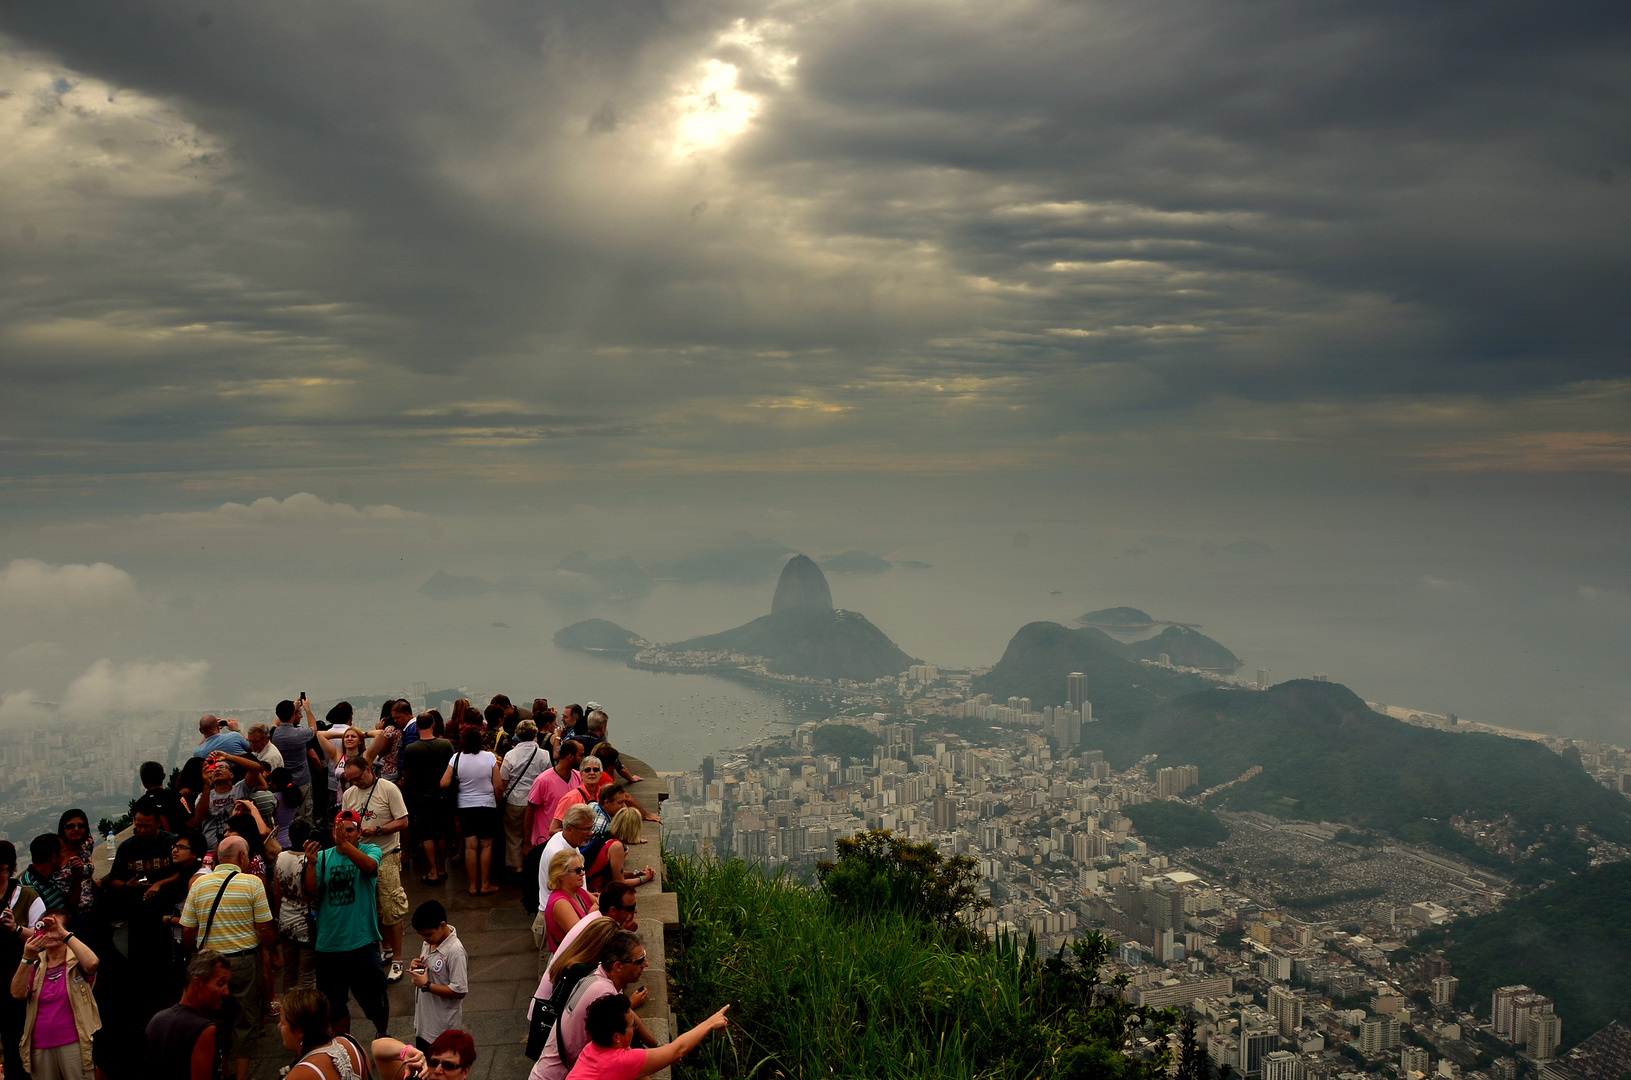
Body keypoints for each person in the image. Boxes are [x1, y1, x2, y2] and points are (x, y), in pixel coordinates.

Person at [180, 836, 274, 1080]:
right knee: (245, 1020)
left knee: (214, 1021)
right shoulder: (253, 883)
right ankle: (241, 1076)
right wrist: (272, 952)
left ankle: (222, 1072)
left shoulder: (199, 885)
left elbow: (188, 930)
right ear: (242, 857)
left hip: (210, 963)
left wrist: (193, 954)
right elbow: (264, 928)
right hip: (244, 961)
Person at [302, 811, 389, 1039]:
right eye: (340, 830)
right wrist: (311, 864)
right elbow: (311, 893)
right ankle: (345, 1046)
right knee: (334, 1005)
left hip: (362, 941)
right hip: (329, 946)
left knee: (375, 1000)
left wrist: (344, 846)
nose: (345, 834)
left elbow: (370, 867)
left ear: (359, 832)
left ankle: (382, 1033)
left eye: (350, 830)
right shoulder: (322, 858)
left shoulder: (370, 850)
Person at [532, 930, 656, 1080]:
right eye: (640, 960)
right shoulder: (604, 995)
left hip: (546, 1071)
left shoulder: (597, 975)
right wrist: (666, 1052)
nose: (646, 964)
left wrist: (656, 1044)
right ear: (618, 966)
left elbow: (630, 1016)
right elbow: (626, 1056)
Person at [340, 755, 410, 982]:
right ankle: (385, 947)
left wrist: (378, 830)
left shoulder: (388, 789)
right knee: (373, 906)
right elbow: (345, 823)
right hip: (360, 856)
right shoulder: (349, 795)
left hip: (387, 854)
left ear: (369, 770)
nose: (354, 784)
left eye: (357, 778)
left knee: (391, 906)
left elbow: (403, 821)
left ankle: (398, 958)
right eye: (349, 780)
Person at [9, 910, 100, 1080]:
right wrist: (27, 957)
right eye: (46, 928)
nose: (49, 934)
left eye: (55, 928)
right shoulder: (35, 966)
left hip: (75, 1044)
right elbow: (17, 993)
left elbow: (92, 963)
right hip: (40, 1048)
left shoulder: (76, 961)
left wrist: (64, 934)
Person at [569, 993, 729, 1080]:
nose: (636, 1028)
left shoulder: (593, 1048)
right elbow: (678, 1050)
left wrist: (664, 1055)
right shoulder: (619, 1061)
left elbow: (637, 1072)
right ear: (616, 1037)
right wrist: (710, 1023)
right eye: (633, 1026)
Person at [276, 987, 426, 1080]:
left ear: (300, 1031)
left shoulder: (302, 1074)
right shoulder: (349, 1042)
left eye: (283, 1022)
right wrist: (405, 1051)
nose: (278, 1026)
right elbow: (377, 1047)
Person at [100, 806, 177, 972]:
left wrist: (161, 883)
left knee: (166, 957)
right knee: (139, 960)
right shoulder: (127, 847)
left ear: (158, 823)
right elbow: (114, 879)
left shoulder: (171, 843)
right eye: (138, 825)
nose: (142, 830)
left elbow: (184, 871)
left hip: (166, 908)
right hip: (137, 912)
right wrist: (127, 885)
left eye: (147, 826)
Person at [145, 949, 232, 1080]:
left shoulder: (157, 1020)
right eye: (220, 983)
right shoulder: (204, 1030)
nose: (226, 992)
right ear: (196, 984)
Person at [440, 726, 500, 897]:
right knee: (486, 845)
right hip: (487, 806)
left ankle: (473, 885)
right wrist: (498, 803)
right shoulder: (489, 757)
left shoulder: (456, 758)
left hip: (464, 807)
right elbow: (498, 786)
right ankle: (485, 884)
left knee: (471, 847)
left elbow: (443, 783)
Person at [0, 841, 44, 1080]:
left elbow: (44, 938)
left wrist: (15, 929)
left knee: (17, 1039)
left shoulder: (27, 896)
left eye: (2, 869)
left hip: (19, 979)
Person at [400, 711, 453, 884]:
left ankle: (432, 871)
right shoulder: (446, 745)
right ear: (433, 725)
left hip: (421, 794)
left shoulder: (412, 748)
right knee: (442, 832)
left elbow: (406, 772)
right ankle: (442, 867)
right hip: (443, 795)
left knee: (427, 834)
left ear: (416, 727)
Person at [408, 901, 467, 1052]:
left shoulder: (455, 951)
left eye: (428, 934)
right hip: (424, 1023)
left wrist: (426, 985)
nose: (424, 940)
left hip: (443, 1028)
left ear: (442, 925)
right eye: (421, 936)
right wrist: (418, 967)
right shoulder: (429, 942)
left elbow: (460, 991)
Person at [274, 819, 318, 1009]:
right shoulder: (313, 861)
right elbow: (315, 893)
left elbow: (276, 891)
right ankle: (306, 1014)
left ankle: (289, 1012)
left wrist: (277, 917)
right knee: (307, 976)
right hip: (308, 924)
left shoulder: (281, 857)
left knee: (290, 974)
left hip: (285, 920)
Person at [500, 720, 551, 878]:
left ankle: (517, 868)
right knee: (533, 834)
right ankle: (533, 865)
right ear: (535, 734)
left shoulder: (510, 755)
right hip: (535, 802)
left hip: (515, 801)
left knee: (513, 835)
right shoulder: (544, 754)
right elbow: (548, 777)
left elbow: (503, 780)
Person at [190, 750, 266, 851]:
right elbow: (199, 818)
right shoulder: (203, 796)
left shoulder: (241, 788)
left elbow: (256, 768)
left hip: (240, 847)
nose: (217, 770)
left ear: (231, 775)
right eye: (213, 769)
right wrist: (207, 785)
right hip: (211, 848)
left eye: (222, 767)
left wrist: (227, 756)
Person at [270, 698, 325, 826]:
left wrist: (292, 708)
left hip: (282, 782)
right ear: (294, 715)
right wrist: (307, 709)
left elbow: (274, 723)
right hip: (302, 781)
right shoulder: (300, 734)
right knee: (305, 815)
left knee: (285, 814)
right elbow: (313, 728)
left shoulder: (274, 733)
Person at [539, 851, 594, 966]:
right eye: (578, 870)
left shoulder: (578, 891)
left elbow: (604, 905)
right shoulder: (560, 903)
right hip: (569, 965)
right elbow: (582, 935)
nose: (583, 873)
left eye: (583, 868)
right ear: (561, 875)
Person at [527, 739, 584, 848]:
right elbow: (530, 810)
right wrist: (527, 842)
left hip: (569, 843)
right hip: (545, 842)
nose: (583, 759)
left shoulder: (579, 777)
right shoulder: (543, 780)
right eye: (581, 755)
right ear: (570, 757)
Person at [583, 809, 653, 895]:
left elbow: (614, 873)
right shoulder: (616, 846)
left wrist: (636, 874)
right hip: (596, 891)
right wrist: (645, 878)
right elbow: (619, 883)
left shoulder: (607, 838)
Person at [53, 811, 96, 921]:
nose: (76, 829)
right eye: (70, 826)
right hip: (71, 914)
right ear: (63, 829)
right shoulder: (57, 854)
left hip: (94, 908)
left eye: (81, 825)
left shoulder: (86, 845)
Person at [550, 756, 607, 836]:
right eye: (587, 770)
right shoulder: (570, 798)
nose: (592, 773)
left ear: (601, 773)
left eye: (596, 770)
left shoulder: (606, 795)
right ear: (581, 774)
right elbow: (553, 830)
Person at [21, 835, 71, 916]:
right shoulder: (31, 887)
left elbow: (66, 904)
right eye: (63, 852)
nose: (65, 856)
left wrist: (77, 878)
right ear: (54, 857)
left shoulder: (49, 878)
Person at [137, 762, 191, 835]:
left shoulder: (139, 804)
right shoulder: (175, 797)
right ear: (164, 776)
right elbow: (190, 823)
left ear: (142, 781)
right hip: (177, 843)